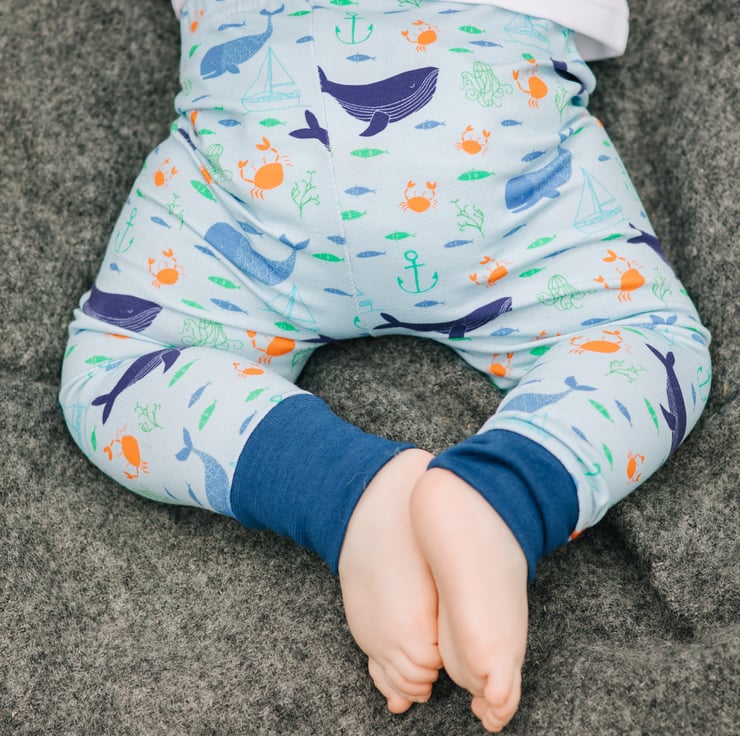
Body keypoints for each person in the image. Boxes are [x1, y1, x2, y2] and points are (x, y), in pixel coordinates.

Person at [59, 1, 711, 731]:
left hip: (260, 148)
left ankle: (353, 492)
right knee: (652, 344)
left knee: (117, 372)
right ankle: (502, 493)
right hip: (494, 118)